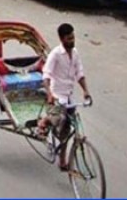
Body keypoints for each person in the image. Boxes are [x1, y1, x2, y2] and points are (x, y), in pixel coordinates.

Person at [36, 23, 92, 171]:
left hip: (69, 98)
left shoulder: (75, 53)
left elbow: (79, 73)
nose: (72, 40)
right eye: (69, 38)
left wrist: (86, 91)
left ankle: (62, 161)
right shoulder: (55, 54)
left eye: (73, 37)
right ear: (62, 39)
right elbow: (46, 75)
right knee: (58, 118)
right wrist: (49, 94)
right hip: (56, 96)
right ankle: (44, 121)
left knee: (66, 132)